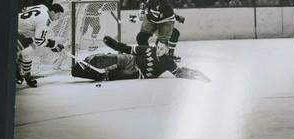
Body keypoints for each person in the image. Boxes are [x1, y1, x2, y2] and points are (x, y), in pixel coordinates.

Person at [71, 36, 209, 82]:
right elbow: (129, 49)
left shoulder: (168, 62)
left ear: (167, 49)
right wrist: (114, 44)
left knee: (108, 76)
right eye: (158, 47)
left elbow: (178, 72)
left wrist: (194, 73)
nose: (159, 51)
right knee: (105, 59)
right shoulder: (148, 49)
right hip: (131, 60)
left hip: (138, 74)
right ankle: (82, 65)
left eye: (162, 49)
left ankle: (81, 72)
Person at [17, 3, 64, 87]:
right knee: (18, 52)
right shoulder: (45, 20)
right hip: (12, 30)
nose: (59, 18)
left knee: (30, 50)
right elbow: (39, 41)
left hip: (17, 28)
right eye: (58, 15)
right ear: (52, 12)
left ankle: (27, 76)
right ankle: (16, 71)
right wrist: (53, 45)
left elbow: (24, 9)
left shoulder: (43, 7)